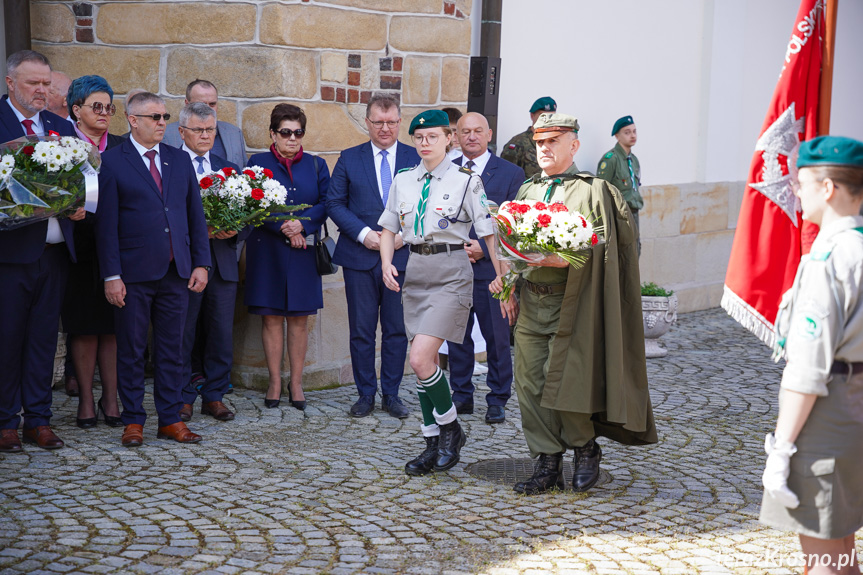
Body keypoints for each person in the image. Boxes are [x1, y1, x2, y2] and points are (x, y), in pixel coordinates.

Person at [493, 112, 657, 494]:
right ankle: (547, 459)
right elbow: (512, 243)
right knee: (530, 382)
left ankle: (585, 449)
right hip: (533, 300)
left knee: (567, 380)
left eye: (553, 141)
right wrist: (508, 285)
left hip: (576, 301)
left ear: (573, 145)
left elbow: (602, 248)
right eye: (540, 142)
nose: (545, 148)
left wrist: (562, 258)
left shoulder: (592, 191)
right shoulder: (528, 190)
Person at [378, 109, 503, 476]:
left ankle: (450, 429)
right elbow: (387, 226)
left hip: (452, 273)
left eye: (432, 137)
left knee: (419, 358)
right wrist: (387, 262)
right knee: (424, 365)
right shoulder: (403, 180)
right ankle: (431, 442)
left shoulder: (467, 181)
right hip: (415, 271)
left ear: (448, 139)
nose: (424, 143)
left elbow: (489, 232)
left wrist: (502, 277)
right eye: (418, 138)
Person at [760, 136, 863, 575]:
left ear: (828, 189)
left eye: (801, 183)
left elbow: (807, 369)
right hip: (854, 402)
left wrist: (781, 450)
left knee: (821, 553)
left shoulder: (829, 258)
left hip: (827, 409)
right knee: (841, 544)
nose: (795, 193)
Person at [95, 91, 211, 447]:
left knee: (172, 349)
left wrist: (202, 263)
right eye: (155, 117)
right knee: (131, 350)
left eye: (164, 117)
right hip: (132, 274)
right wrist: (111, 275)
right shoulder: (113, 162)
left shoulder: (179, 160)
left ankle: (170, 418)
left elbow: (194, 216)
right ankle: (133, 420)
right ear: (132, 120)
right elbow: (106, 226)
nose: (163, 123)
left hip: (176, 271)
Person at [0, 50, 80, 453]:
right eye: (34, 83)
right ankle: (4, 422)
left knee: (44, 341)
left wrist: (81, 202)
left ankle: (38, 419)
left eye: (47, 84)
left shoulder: (59, 126)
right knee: (7, 339)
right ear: (11, 83)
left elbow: (81, 177)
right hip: (10, 255)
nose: (42, 91)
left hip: (54, 252)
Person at [326, 94, 419, 419]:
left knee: (395, 330)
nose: (384, 128)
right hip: (359, 258)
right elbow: (334, 203)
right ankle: (365, 393)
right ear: (367, 122)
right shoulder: (350, 158)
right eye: (378, 122)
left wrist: (397, 237)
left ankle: (391, 395)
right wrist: (366, 236)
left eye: (391, 121)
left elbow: (426, 204)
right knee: (362, 330)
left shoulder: (415, 157)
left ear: (399, 121)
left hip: (402, 258)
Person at [244, 104, 330, 411]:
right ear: (273, 133)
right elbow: (251, 203)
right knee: (271, 319)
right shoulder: (257, 163)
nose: (292, 139)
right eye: (285, 133)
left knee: (298, 320)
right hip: (268, 250)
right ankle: (274, 382)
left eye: (298, 133)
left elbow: (325, 203)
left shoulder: (317, 165)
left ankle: (295, 383)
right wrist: (283, 226)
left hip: (304, 252)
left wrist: (301, 224)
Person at [448, 112, 525, 424]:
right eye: (464, 131)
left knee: (496, 335)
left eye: (477, 131)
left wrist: (483, 246)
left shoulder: (509, 173)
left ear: (489, 133)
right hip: (453, 267)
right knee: (457, 336)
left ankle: (497, 397)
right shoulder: (445, 170)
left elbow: (514, 221)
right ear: (456, 136)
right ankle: (462, 395)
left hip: (492, 270)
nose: (471, 137)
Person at [62, 75, 125, 429]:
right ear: (76, 109)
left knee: (113, 327)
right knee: (85, 326)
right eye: (96, 106)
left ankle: (111, 398)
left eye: (109, 107)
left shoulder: (120, 145)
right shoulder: (62, 146)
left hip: (118, 248)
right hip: (80, 248)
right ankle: (86, 399)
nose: (104, 113)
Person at [177, 102, 242, 423]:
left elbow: (246, 215)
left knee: (220, 332)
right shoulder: (172, 165)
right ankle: (182, 396)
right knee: (183, 332)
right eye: (198, 130)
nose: (205, 136)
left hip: (223, 261)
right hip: (185, 263)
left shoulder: (228, 168)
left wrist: (235, 228)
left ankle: (214, 396)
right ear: (182, 132)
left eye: (210, 130)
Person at [163, 79, 247, 169]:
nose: (207, 109)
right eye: (201, 104)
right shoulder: (166, 134)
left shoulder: (234, 133)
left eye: (212, 104)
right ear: (187, 104)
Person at [597, 116, 643, 255]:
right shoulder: (610, 159)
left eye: (634, 131)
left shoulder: (634, 160)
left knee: (635, 251)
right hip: (619, 216)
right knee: (622, 255)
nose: (632, 135)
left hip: (634, 213)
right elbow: (601, 192)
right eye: (627, 132)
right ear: (617, 136)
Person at [500, 97, 556, 179]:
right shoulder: (518, 143)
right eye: (542, 116)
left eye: (551, 116)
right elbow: (505, 176)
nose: (547, 120)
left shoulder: (557, 142)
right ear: (532, 116)